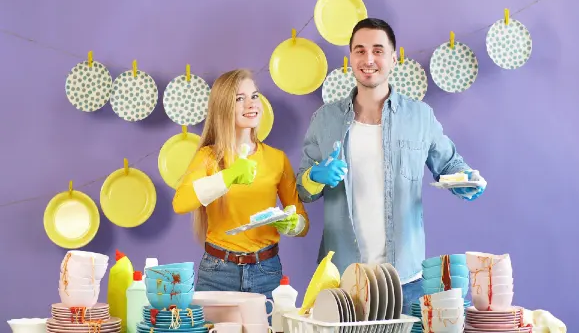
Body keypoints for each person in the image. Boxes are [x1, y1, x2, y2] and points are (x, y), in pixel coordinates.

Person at [295, 18, 486, 314]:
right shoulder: (324, 119)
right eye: (359, 50)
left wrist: (467, 182)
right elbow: (303, 191)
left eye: (378, 50)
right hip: (342, 279)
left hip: (405, 278)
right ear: (350, 58)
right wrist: (314, 176)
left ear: (393, 59)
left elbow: (450, 165)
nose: (368, 59)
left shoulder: (420, 117)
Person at [172, 69, 309, 310]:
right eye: (239, 98)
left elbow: (302, 222)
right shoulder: (209, 157)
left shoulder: (277, 159)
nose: (251, 104)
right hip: (217, 273)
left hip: (266, 271)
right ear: (223, 107)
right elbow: (180, 203)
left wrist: (293, 223)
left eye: (254, 96)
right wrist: (229, 176)